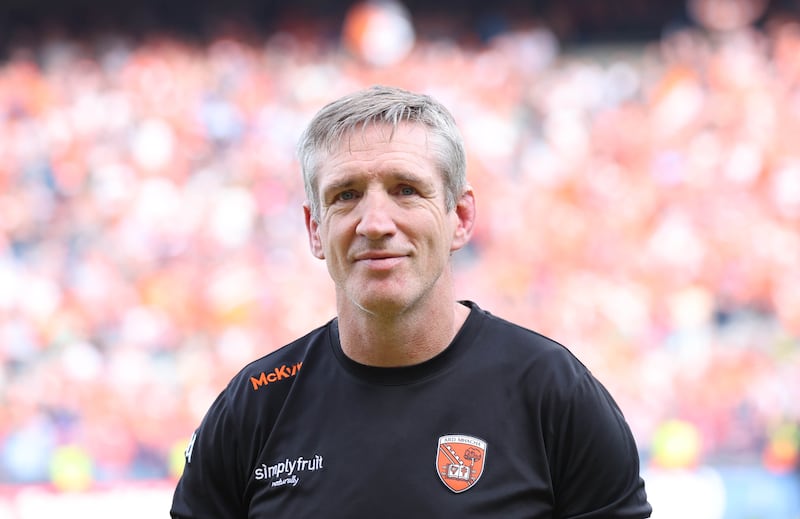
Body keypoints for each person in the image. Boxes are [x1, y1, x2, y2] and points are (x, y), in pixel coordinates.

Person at [170, 85, 652, 518]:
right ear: (315, 230)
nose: (375, 222)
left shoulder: (552, 392)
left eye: (406, 190)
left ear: (460, 217)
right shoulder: (256, 404)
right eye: (345, 195)